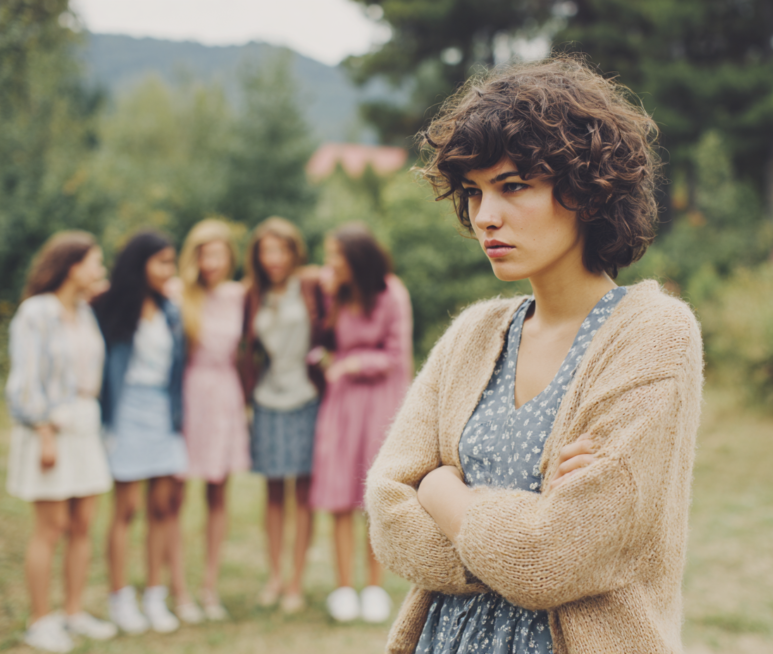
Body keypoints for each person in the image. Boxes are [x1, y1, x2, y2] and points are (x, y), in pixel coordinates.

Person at [364, 57, 704, 654]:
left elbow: (552, 558)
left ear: (587, 191)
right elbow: (388, 511)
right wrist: (522, 520)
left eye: (514, 186)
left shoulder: (653, 335)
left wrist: (444, 491)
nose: (485, 217)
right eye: (473, 192)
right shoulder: (473, 333)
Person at [5, 232, 118, 653]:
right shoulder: (36, 313)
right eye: (96, 262)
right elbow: (25, 381)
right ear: (73, 266)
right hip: (49, 430)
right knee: (50, 528)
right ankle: (40, 619)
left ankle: (73, 612)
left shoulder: (84, 311)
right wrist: (44, 433)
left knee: (83, 524)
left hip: (85, 427)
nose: (100, 270)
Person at [93, 230, 202, 635]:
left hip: (163, 414)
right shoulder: (109, 308)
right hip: (126, 413)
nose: (168, 271)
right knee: (125, 510)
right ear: (140, 266)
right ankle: (120, 598)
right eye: (162, 263)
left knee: (162, 507)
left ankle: (154, 594)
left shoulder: (171, 310)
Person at [310, 223, 413, 624]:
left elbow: (397, 354)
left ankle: (372, 586)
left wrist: (354, 363)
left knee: (373, 497)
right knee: (339, 494)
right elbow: (321, 336)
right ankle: (342, 587)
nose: (329, 262)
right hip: (341, 403)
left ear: (357, 258)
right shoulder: (333, 290)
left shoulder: (391, 293)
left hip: (380, 402)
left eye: (336, 255)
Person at [240, 217, 329, 614]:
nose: (273, 258)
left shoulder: (312, 286)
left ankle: (296, 581)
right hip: (267, 400)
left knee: (304, 494)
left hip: (308, 397)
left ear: (295, 252)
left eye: (281, 250)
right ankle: (275, 577)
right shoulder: (252, 295)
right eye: (266, 251)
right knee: (273, 492)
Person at [178, 218, 250, 620]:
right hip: (189, 394)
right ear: (195, 256)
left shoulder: (239, 295)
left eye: (219, 252)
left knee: (218, 493)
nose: (212, 261)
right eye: (204, 253)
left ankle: (209, 587)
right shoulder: (179, 294)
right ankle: (178, 588)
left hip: (225, 395)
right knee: (175, 496)